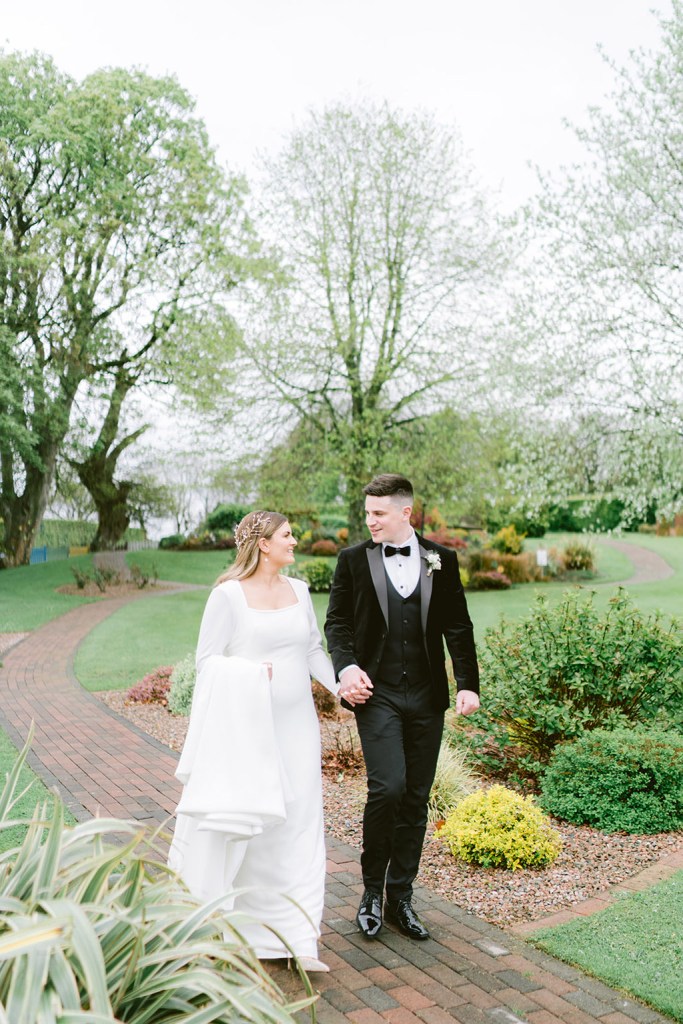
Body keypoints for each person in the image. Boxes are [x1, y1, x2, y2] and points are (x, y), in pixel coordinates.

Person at [168, 511, 339, 974]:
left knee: (300, 823)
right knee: (251, 825)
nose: (295, 541)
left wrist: (340, 687)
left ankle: (300, 938)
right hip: (247, 729)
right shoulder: (227, 596)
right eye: (287, 535)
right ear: (263, 544)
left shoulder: (300, 590)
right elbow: (207, 662)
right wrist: (250, 676)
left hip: (297, 726)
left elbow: (310, 650)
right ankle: (234, 930)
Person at [325, 474, 480, 941]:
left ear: (404, 513)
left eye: (378, 513)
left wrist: (468, 684)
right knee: (388, 788)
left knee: (416, 795)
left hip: (427, 697)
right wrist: (346, 668)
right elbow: (337, 623)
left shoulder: (441, 560)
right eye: (367, 513)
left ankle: (401, 897)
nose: (368, 521)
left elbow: (458, 625)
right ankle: (371, 892)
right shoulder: (353, 561)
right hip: (379, 694)